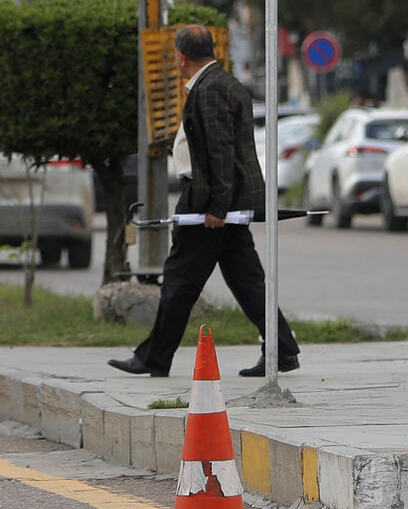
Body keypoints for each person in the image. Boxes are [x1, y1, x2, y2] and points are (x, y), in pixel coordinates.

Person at [108, 24, 300, 378]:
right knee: (246, 280)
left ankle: (153, 357)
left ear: (180, 57)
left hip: (209, 201)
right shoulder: (226, 83)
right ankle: (282, 349)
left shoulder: (209, 90)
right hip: (226, 201)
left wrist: (216, 208)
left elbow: (219, 153)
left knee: (180, 279)